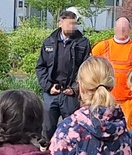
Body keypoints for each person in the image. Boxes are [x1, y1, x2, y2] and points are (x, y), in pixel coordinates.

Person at [36, 10, 91, 139]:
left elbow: (86, 70)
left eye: (74, 24)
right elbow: (40, 67)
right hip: (52, 93)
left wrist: (75, 88)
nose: (72, 27)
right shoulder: (49, 42)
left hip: (71, 94)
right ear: (60, 23)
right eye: (69, 24)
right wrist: (48, 86)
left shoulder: (82, 43)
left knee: (72, 130)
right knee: (48, 130)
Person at [91, 17, 132, 129]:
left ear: (130, 30)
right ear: (114, 29)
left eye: (125, 29)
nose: (122, 31)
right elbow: (91, 69)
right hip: (105, 98)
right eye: (120, 28)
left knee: (126, 130)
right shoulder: (101, 47)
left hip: (129, 100)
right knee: (104, 128)